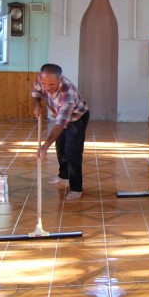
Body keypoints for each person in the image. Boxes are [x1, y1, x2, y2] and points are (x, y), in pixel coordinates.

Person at [31, 63, 90, 200]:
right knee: (60, 148)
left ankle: (76, 188)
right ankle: (64, 174)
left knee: (72, 152)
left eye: (51, 85)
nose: (47, 87)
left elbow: (60, 124)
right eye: (44, 83)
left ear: (60, 79)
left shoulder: (67, 93)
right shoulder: (42, 79)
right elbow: (35, 92)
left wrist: (45, 146)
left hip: (77, 118)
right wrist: (37, 104)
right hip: (59, 116)